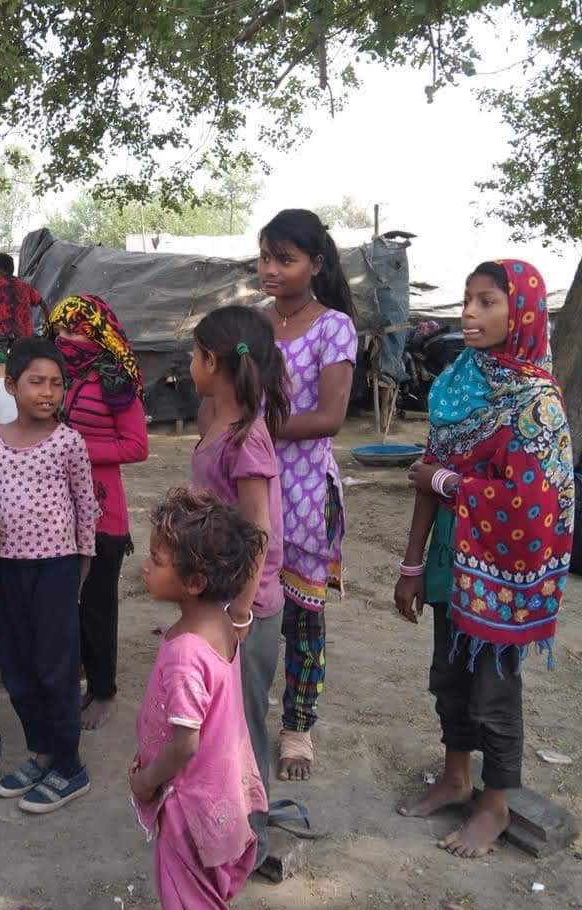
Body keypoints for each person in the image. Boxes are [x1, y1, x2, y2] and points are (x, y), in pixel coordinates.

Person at [395, 260, 574, 858]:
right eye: (467, 300)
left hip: (505, 569)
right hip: (452, 559)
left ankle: (495, 805)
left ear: (519, 312)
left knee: (493, 690)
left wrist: (448, 483)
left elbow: (530, 501)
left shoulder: (537, 402)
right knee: (447, 676)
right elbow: (426, 475)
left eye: (487, 302)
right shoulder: (457, 381)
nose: (469, 313)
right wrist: (413, 563)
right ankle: (455, 778)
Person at [0, 337, 99, 813]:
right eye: (36, 382)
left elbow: (85, 505)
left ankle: (70, 766)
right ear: (11, 385)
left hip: (58, 568)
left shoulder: (68, 442)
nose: (48, 392)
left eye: (56, 384)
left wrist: (83, 564)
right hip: (10, 568)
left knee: (56, 666)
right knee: (19, 664)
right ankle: (40, 751)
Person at [130, 488, 268, 910]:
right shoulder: (226, 625)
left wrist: (147, 780)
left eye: (156, 560)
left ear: (194, 583)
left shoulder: (187, 653)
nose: (145, 566)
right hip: (221, 793)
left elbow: (186, 743)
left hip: (188, 806)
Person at [259, 208, 358, 783]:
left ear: (315, 264)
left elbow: (330, 417)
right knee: (242, 606)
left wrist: (258, 430)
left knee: (303, 617)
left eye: (284, 259)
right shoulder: (252, 325)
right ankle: (238, 716)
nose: (270, 269)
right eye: (266, 257)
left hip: (302, 492)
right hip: (250, 483)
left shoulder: (332, 327)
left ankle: (297, 727)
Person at [188, 305, 289, 865]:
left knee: (244, 729)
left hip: (242, 609)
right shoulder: (218, 425)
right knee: (216, 724)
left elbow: (259, 531)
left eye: (194, 353)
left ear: (211, 361)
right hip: (218, 601)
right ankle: (225, 829)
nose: (189, 362)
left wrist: (240, 615)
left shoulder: (247, 440)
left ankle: (253, 841)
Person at [47, 294, 149, 730]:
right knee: (61, 601)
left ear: (99, 334)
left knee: (98, 604)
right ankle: (77, 672)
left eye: (78, 331)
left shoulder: (115, 381)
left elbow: (137, 446)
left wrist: (78, 449)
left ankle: (104, 691)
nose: (68, 340)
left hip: (102, 513)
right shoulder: (49, 377)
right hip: (51, 510)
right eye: (61, 331)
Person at [0, 252, 51, 344]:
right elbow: (42, 303)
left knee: (2, 356)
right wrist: (48, 323)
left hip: (4, 333)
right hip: (25, 334)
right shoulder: (25, 286)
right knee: (22, 356)